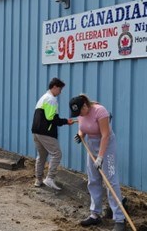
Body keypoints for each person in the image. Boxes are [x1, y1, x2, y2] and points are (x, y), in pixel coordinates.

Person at [69, 94, 126, 231]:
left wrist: (101, 157)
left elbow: (105, 135)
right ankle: (95, 214)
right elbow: (82, 126)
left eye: (79, 112)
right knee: (93, 179)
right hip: (92, 146)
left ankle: (119, 219)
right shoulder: (81, 113)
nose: (78, 115)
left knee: (110, 181)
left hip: (107, 147)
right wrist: (81, 134)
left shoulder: (100, 111)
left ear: (85, 106)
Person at [30, 77, 74, 190]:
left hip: (36, 131)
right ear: (54, 87)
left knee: (42, 156)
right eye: (60, 89)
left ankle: (38, 180)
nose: (60, 92)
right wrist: (65, 121)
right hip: (46, 132)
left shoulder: (43, 98)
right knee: (57, 153)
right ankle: (49, 179)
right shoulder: (51, 99)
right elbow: (51, 118)